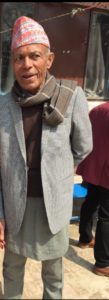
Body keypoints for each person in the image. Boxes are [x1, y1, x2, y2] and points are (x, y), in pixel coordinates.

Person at [0, 16, 93, 299]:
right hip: (15, 206)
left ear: (50, 60)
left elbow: (83, 146)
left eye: (35, 56)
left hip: (53, 205)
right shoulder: (1, 106)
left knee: (54, 274)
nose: (27, 65)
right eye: (19, 57)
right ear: (13, 63)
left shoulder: (71, 96)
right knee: (11, 268)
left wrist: (60, 168)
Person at [77, 101, 109, 277]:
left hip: (93, 165)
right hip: (106, 168)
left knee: (90, 203)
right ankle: (103, 263)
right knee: (107, 215)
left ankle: (85, 238)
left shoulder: (96, 110)